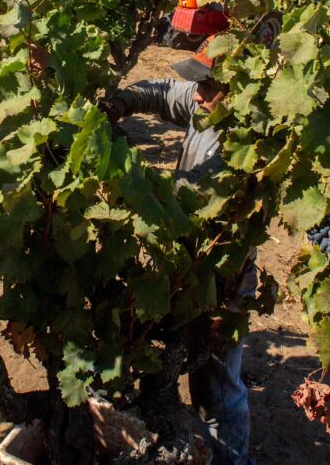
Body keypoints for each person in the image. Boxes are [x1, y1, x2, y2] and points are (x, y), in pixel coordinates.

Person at [99, 41, 255, 465]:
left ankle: (232, 460)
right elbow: (165, 92)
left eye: (211, 86)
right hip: (181, 260)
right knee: (163, 362)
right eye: (200, 85)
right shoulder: (206, 106)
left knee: (218, 388)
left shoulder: (256, 138)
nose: (199, 95)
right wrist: (122, 102)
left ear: (243, 88)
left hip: (222, 274)